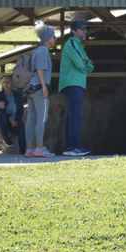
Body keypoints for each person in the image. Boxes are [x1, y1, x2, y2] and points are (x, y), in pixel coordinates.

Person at [58, 19, 94, 157]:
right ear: (74, 31)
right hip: (72, 83)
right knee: (75, 116)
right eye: (82, 29)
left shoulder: (79, 45)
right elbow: (81, 64)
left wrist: (86, 63)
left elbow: (90, 66)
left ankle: (71, 147)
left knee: (74, 116)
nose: (85, 31)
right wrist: (86, 63)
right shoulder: (72, 43)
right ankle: (73, 147)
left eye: (85, 29)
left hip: (76, 83)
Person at [24, 23, 55, 158]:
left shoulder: (36, 50)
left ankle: (29, 149)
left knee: (31, 119)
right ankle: (40, 148)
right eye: (53, 37)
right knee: (41, 119)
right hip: (39, 88)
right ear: (48, 38)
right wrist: (44, 87)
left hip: (31, 88)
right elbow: (40, 70)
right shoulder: (43, 51)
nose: (55, 39)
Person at [0, 75, 26, 154]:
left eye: (8, 82)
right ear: (1, 84)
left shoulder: (17, 95)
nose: (6, 84)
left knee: (21, 126)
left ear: (11, 83)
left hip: (15, 118)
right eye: (4, 82)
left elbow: (20, 109)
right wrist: (10, 118)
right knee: (3, 118)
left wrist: (15, 119)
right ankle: (7, 141)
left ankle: (23, 150)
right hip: (4, 118)